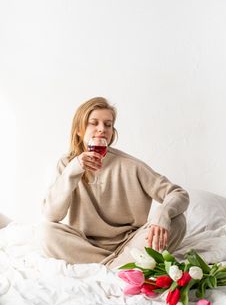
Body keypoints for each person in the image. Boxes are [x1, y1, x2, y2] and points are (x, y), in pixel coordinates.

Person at [41, 97, 189, 268]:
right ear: (79, 130)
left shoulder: (131, 166)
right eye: (94, 123)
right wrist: (75, 169)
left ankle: (111, 266)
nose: (101, 129)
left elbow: (178, 194)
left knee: (177, 221)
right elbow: (52, 215)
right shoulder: (67, 165)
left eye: (108, 124)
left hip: (130, 245)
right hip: (85, 246)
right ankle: (120, 266)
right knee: (46, 232)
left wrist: (162, 213)